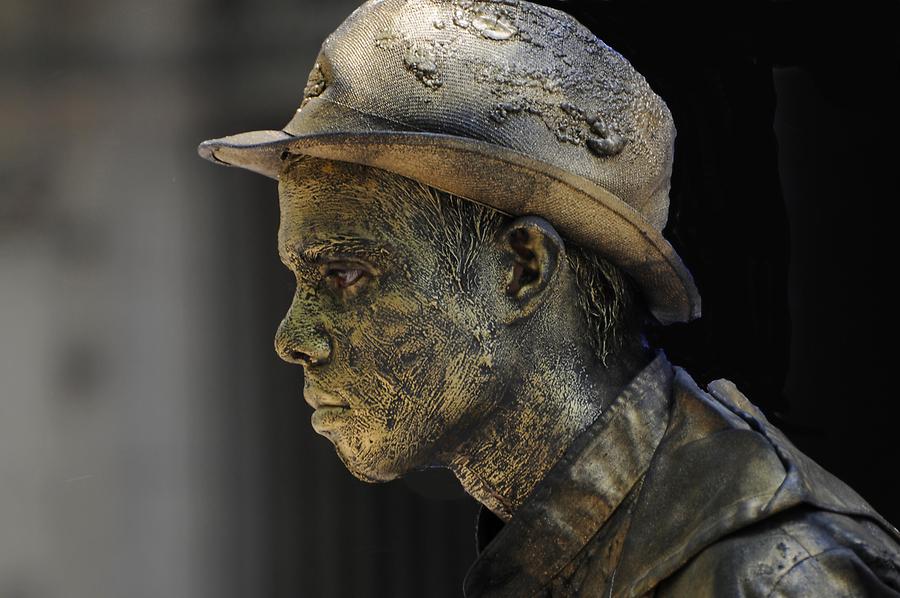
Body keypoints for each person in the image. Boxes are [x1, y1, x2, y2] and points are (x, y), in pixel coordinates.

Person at [197, 0, 900, 595]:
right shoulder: (572, 547)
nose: (294, 337)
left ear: (523, 269)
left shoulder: (770, 575)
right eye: (302, 279)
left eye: (345, 276)